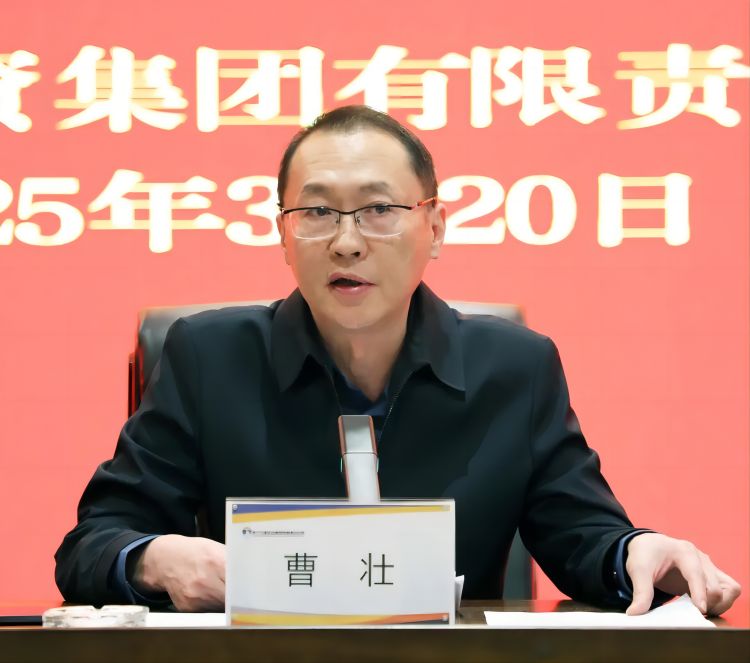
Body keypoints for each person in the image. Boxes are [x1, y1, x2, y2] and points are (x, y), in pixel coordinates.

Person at [55, 105, 741, 616]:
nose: (346, 242)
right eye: (316, 212)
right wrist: (153, 559)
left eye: (378, 209)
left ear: (434, 227)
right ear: (283, 234)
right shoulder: (209, 357)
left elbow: (582, 535)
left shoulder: (515, 368)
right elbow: (91, 546)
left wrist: (635, 551)